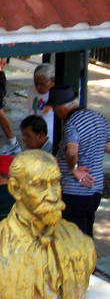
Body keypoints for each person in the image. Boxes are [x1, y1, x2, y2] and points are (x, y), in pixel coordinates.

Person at [0, 150, 96, 299]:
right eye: (40, 185)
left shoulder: (81, 243)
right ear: (16, 189)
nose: (52, 196)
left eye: (55, 182)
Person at [47, 84, 110, 237]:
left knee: (73, 239)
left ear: (60, 106)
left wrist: (74, 168)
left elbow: (71, 150)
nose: (54, 112)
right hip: (94, 189)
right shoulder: (98, 118)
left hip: (75, 192)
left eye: (54, 108)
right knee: (85, 233)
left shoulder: (72, 123)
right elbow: (108, 147)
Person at [29, 63, 55, 146]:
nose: (38, 87)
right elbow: (32, 110)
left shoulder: (57, 93)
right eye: (36, 83)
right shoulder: (32, 89)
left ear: (52, 81)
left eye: (42, 84)